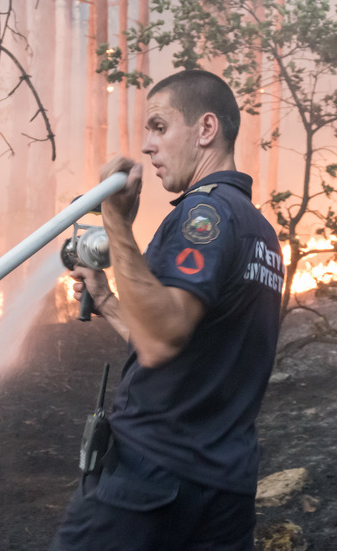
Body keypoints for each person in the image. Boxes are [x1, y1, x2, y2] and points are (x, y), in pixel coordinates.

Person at [51, 69, 285, 551]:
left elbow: (161, 340)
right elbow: (186, 345)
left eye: (159, 127)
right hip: (223, 487)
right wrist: (110, 300)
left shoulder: (204, 216)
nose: (148, 147)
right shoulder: (258, 230)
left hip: (150, 478)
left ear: (205, 129)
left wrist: (117, 223)